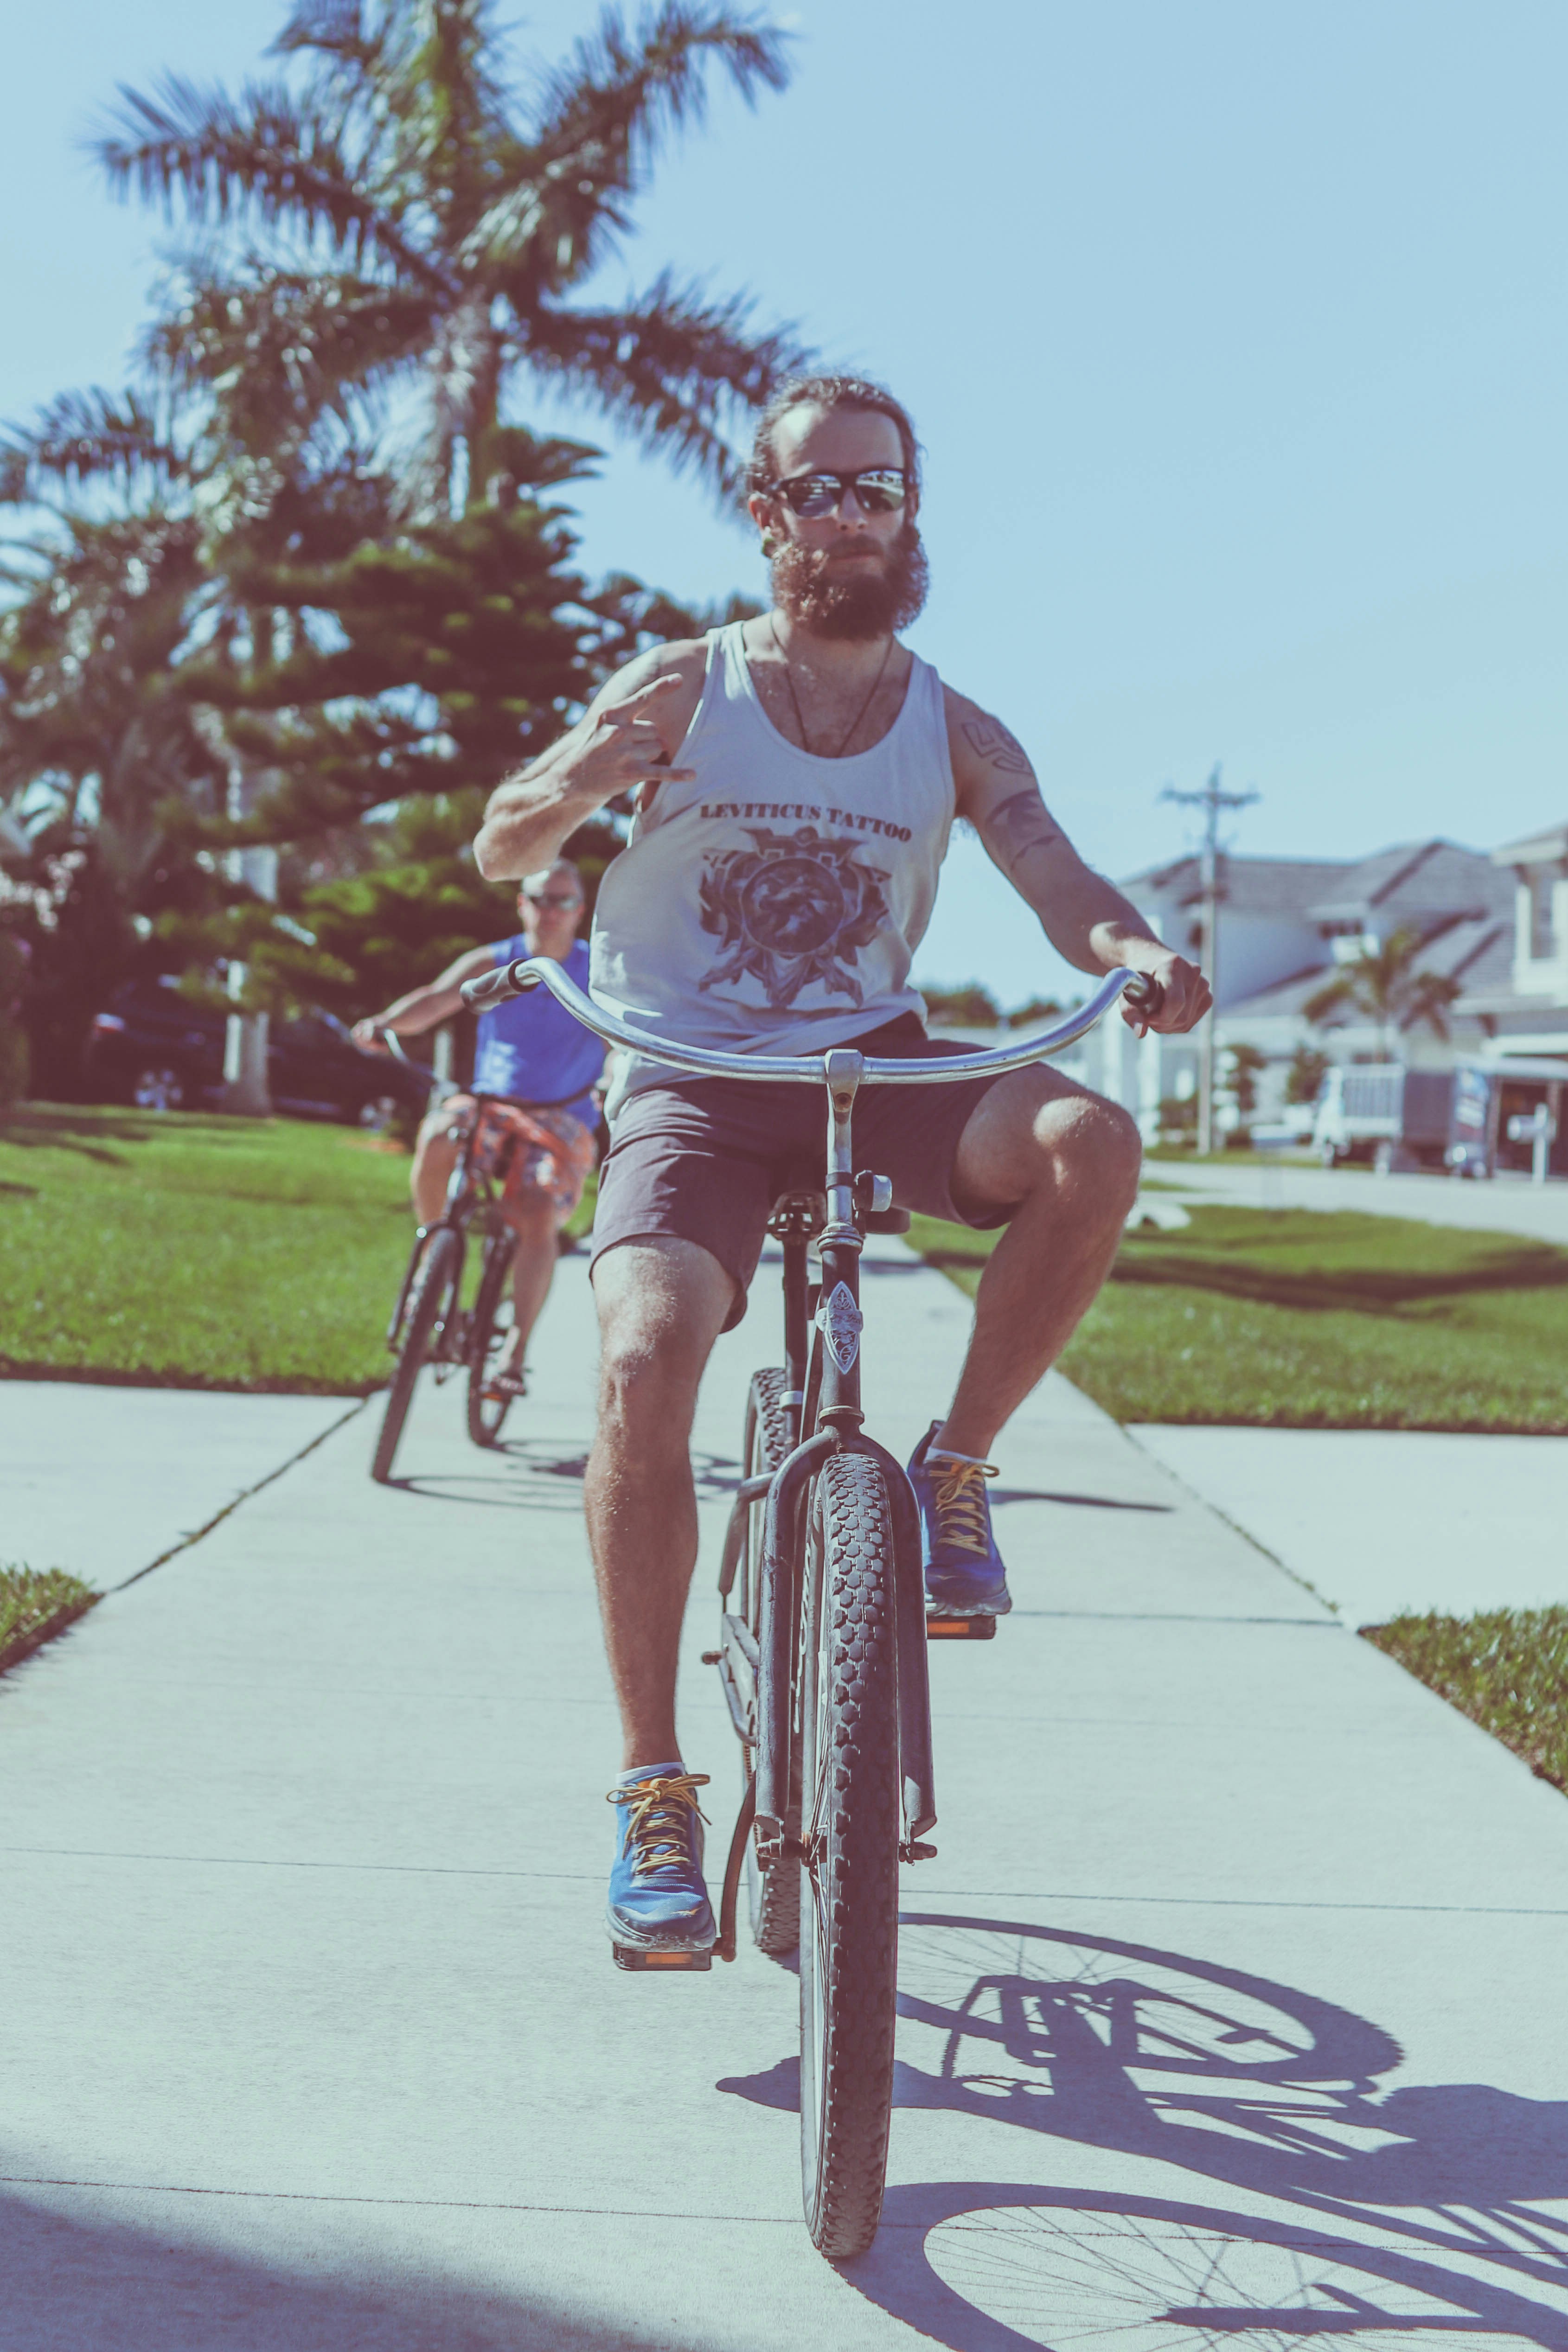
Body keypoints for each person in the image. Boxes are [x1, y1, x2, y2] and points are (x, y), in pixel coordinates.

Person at [472, 375, 1212, 1960]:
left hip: (872, 1065)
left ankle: (953, 1469)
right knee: (643, 1356)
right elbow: (502, 844)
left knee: (1091, 1137)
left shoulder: (954, 725)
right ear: (768, 517)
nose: (855, 513)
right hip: (688, 1074)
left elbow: (1051, 867)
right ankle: (654, 1786)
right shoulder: (684, 688)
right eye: (823, 490)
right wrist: (565, 798)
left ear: (912, 510)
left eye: (880, 487)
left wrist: (1131, 941)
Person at [352, 859, 604, 1395]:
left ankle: (512, 1357)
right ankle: (433, 1254)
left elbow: (626, 1033)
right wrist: (386, 1024)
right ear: (522, 903)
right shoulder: (495, 961)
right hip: (491, 1102)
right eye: (540, 898)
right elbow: (435, 999)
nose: (550, 910)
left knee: (538, 1212)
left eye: (563, 900)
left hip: (562, 1112)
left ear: (580, 910)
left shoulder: (600, 969)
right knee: (440, 1132)